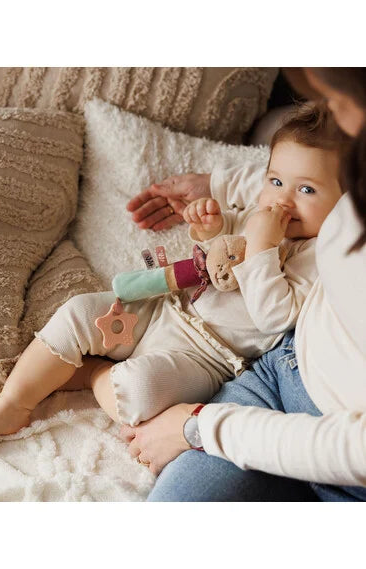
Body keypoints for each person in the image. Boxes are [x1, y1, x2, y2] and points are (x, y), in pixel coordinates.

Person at [0, 103, 344, 458]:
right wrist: (209, 225)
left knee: (137, 391)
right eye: (275, 181)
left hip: (206, 358)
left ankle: (93, 373)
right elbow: (219, 249)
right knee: (79, 311)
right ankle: (12, 404)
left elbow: (273, 318)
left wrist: (262, 248)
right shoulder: (260, 213)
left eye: (306, 189)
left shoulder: (322, 260)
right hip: (166, 307)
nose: (282, 200)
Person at [120, 68, 366, 502]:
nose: (337, 117)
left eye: (340, 103)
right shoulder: (348, 163)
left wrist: (198, 427)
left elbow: (351, 450)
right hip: (281, 375)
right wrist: (218, 185)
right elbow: (305, 168)